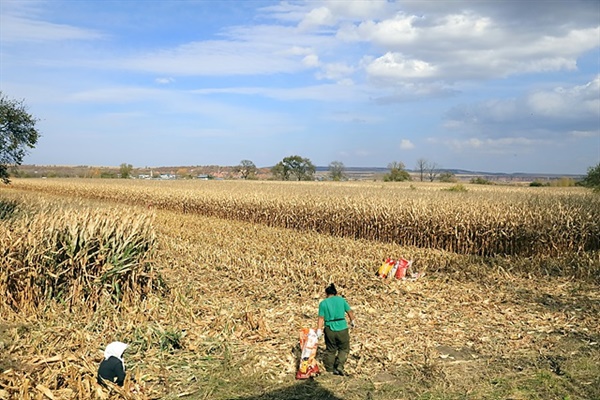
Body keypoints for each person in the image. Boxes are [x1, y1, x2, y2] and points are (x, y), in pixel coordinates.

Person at [316, 283, 356, 376]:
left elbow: (321, 318)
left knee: (331, 350)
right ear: (335, 293)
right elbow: (349, 311)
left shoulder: (323, 303)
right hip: (342, 327)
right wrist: (352, 320)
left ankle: (329, 369)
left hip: (329, 328)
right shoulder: (341, 300)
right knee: (344, 349)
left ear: (326, 293)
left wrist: (319, 329)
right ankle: (339, 366)